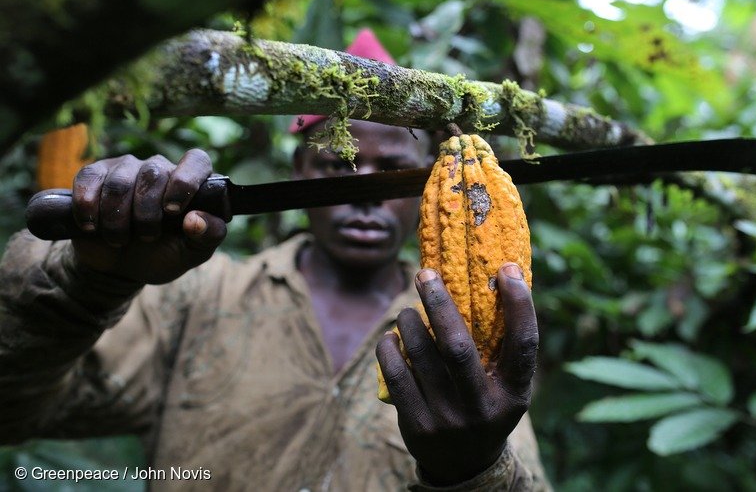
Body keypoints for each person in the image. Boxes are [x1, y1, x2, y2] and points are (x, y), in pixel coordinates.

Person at [0, 30, 549, 490]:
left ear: (431, 185)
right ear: (298, 173)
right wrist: (90, 278)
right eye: (340, 166)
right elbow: (12, 409)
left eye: (393, 171)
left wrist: (475, 472)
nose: (366, 193)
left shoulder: (467, 334)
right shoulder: (196, 298)